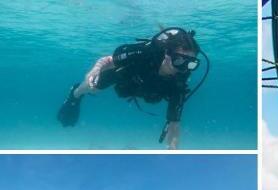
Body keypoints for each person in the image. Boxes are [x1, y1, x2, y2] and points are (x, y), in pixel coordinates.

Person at [56, 28, 207, 149]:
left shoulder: (179, 81)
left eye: (191, 64)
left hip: (149, 87)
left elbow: (174, 123)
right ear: (167, 54)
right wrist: (94, 71)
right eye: (179, 61)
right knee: (93, 87)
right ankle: (75, 94)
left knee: (155, 99)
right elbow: (108, 60)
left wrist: (173, 151)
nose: (184, 69)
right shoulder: (145, 53)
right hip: (126, 76)